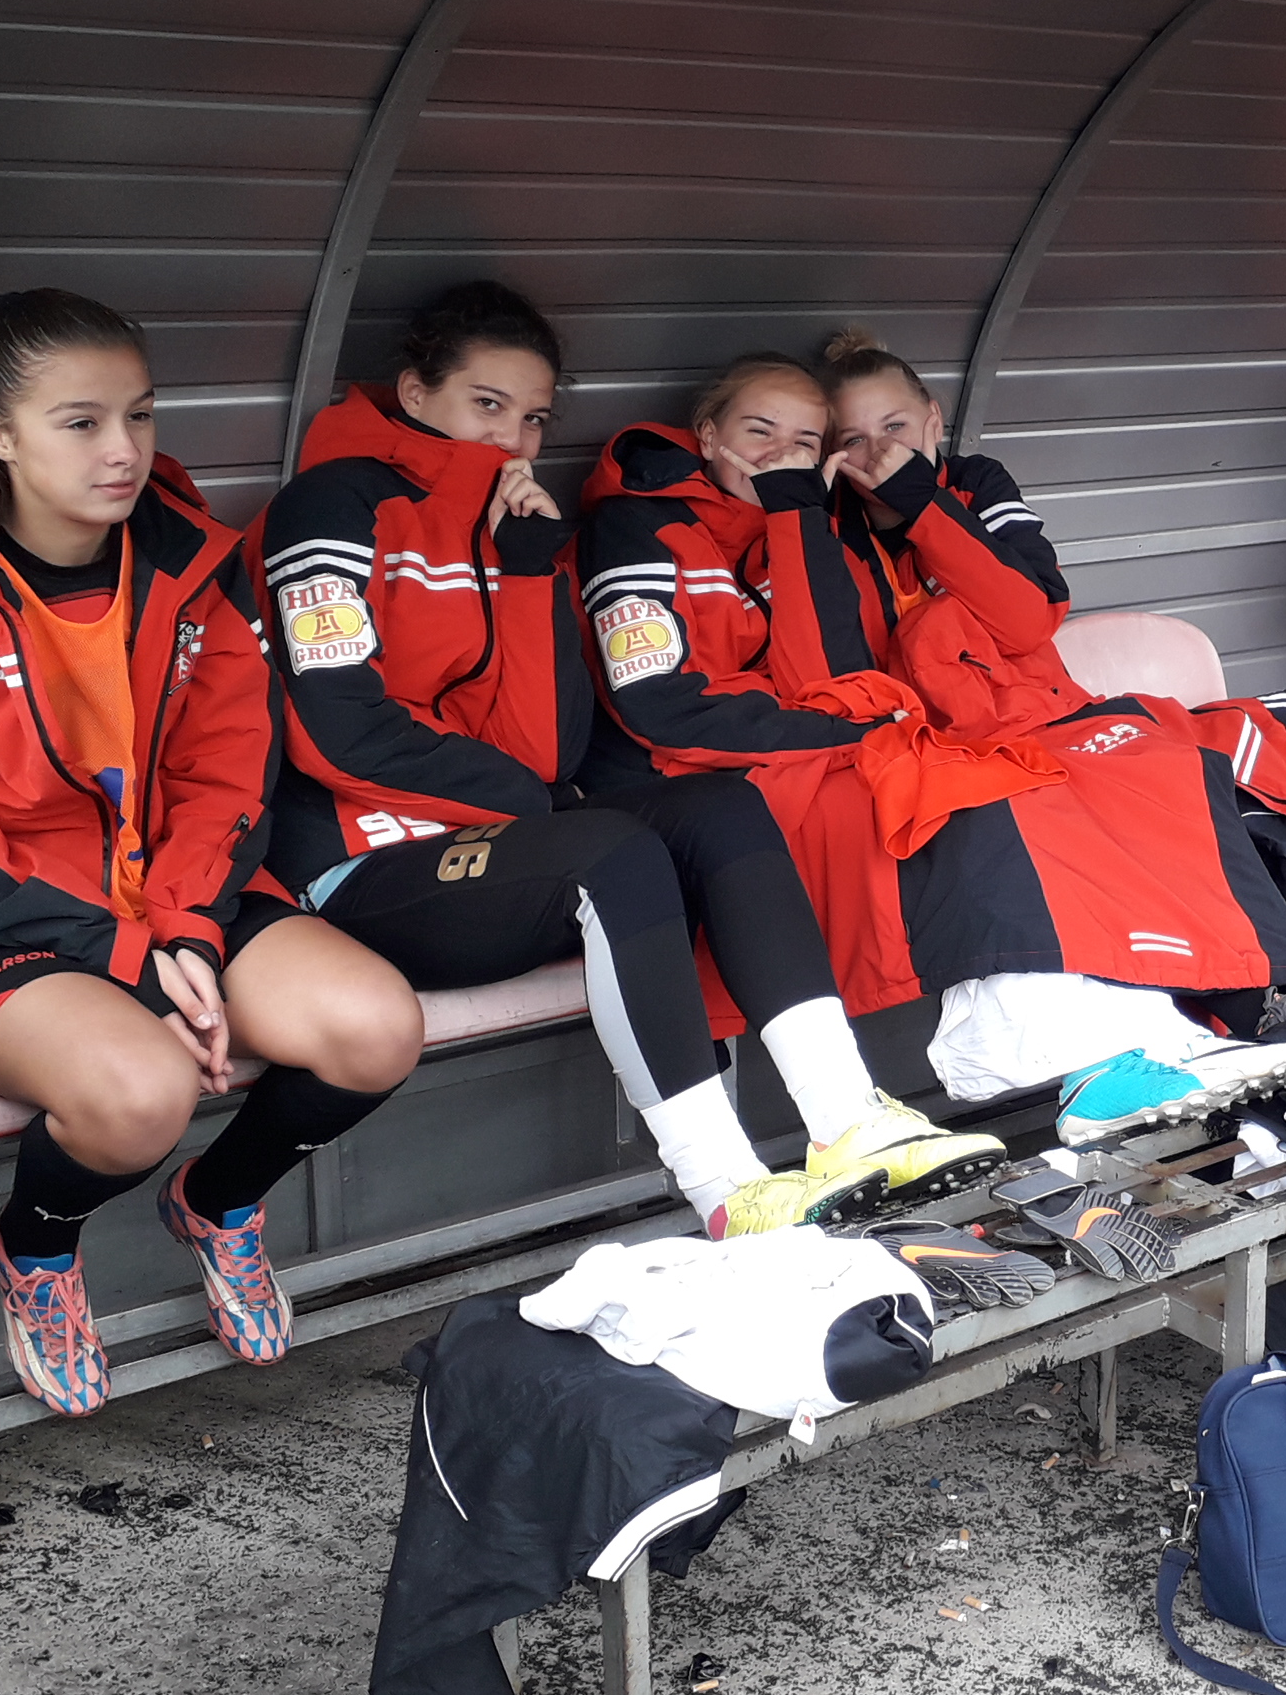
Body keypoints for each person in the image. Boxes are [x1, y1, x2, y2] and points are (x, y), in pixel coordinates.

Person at [253, 283, 998, 1238]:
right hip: (363, 861)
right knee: (608, 851)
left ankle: (850, 1121)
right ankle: (726, 1188)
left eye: (533, 419)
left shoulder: (509, 523)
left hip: (497, 840)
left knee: (719, 809)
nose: (512, 440)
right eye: (487, 405)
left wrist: (529, 574)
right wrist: (526, 798)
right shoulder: (329, 504)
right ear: (413, 393)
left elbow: (546, 747)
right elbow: (339, 733)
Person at [0, 290, 425, 1416]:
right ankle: (37, 1247)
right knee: (141, 1090)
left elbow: (228, 770)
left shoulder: (188, 560)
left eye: (139, 415)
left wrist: (185, 927)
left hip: (168, 898)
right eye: (81, 422)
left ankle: (219, 1200)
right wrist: (124, 953)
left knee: (375, 1028)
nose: (123, 450)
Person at [574, 340, 1286, 1141]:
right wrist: (852, 722)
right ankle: (1044, 1044)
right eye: (760, 432)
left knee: (1022, 790)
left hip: (820, 756)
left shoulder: (804, 522)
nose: (780, 456)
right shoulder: (640, 524)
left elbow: (836, 672)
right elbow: (673, 708)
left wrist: (798, 522)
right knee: (960, 801)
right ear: (708, 435)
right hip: (708, 790)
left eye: (803, 444)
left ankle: (1147, 1034)